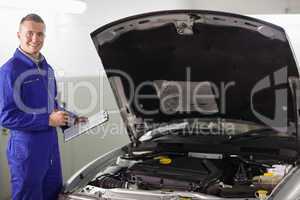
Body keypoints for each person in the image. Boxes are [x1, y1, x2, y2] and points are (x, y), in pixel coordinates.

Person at [0, 14, 86, 200]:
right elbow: (6, 117)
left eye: (40, 34)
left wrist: (71, 119)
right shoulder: (9, 70)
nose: (35, 39)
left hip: (50, 147)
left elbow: (52, 106)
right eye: (29, 33)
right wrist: (47, 120)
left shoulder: (47, 69)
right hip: (26, 150)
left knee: (54, 194)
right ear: (19, 35)